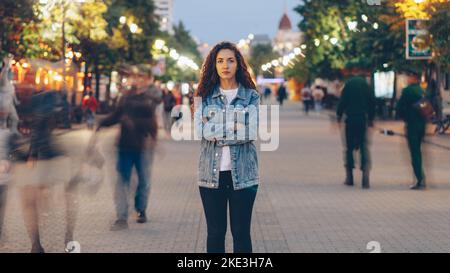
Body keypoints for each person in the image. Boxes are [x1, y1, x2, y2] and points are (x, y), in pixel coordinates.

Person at [194, 41, 259, 253]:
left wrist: (215, 128)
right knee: (215, 233)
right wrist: (235, 126)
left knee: (241, 234)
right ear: (213, 65)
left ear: (238, 64)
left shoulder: (251, 96)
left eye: (230, 60)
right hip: (211, 176)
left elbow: (250, 132)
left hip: (244, 176)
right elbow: (200, 131)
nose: (225, 65)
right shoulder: (203, 95)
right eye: (220, 61)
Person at [97, 85, 158, 230]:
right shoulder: (126, 103)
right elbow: (115, 117)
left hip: (138, 148)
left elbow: (151, 124)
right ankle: (125, 215)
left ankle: (138, 211)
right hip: (128, 147)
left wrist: (133, 123)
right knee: (131, 181)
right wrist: (102, 123)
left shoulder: (144, 105)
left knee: (138, 181)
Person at [336, 76, 375, 189]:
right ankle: (365, 177)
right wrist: (371, 119)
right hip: (362, 120)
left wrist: (338, 116)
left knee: (349, 148)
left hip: (350, 120)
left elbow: (342, 101)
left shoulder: (348, 85)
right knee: (364, 147)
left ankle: (350, 177)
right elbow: (372, 102)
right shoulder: (366, 86)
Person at [396, 72, 427, 190]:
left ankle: (420, 179)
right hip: (421, 125)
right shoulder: (421, 90)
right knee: (418, 151)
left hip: (412, 125)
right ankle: (420, 178)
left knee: (415, 152)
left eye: (409, 76)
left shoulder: (408, 91)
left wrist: (404, 117)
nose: (407, 78)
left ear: (413, 78)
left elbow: (399, 107)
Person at [0, 56, 20, 135]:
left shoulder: (11, 85)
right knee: (3, 122)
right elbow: (3, 75)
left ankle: (14, 131)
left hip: (10, 104)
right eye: (11, 74)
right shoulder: (4, 83)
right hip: (3, 104)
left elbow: (13, 95)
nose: (13, 75)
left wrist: (16, 101)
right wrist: (7, 66)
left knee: (15, 119)